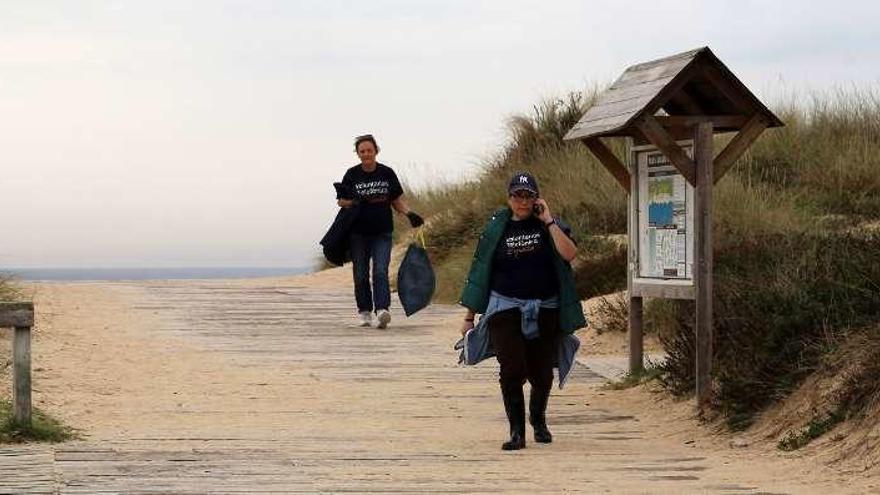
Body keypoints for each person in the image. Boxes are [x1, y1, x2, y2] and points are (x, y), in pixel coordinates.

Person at [458, 172, 586, 450]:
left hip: (546, 307)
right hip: (504, 306)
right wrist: (469, 316)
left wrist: (549, 220)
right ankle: (517, 432)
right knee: (512, 368)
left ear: (536, 197)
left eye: (528, 195)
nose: (522, 201)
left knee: (542, 373)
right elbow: (480, 272)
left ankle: (538, 419)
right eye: (517, 195)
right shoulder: (497, 229)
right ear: (509, 197)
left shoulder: (549, 225)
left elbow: (569, 254)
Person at [337, 134, 423, 329]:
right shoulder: (352, 175)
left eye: (369, 150)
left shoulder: (386, 173)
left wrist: (410, 214)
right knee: (360, 274)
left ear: (376, 151)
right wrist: (352, 201)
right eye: (362, 151)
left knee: (381, 271)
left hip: (382, 232)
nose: (366, 154)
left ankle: (382, 310)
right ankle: (365, 311)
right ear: (358, 154)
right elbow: (341, 201)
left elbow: (396, 200)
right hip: (357, 233)